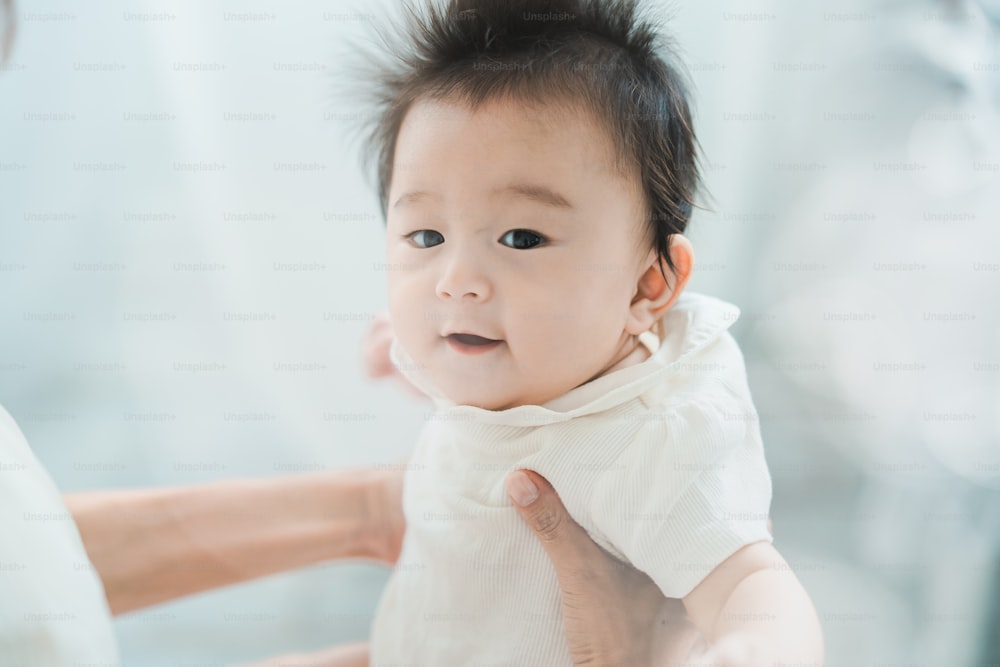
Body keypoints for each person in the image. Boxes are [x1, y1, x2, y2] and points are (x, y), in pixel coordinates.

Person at [352, 0, 824, 664]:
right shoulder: (511, 349)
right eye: (425, 234)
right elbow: (470, 365)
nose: (455, 282)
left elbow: (752, 581)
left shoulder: (644, 441)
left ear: (646, 287)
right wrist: (405, 356)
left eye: (522, 237)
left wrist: (751, 647)